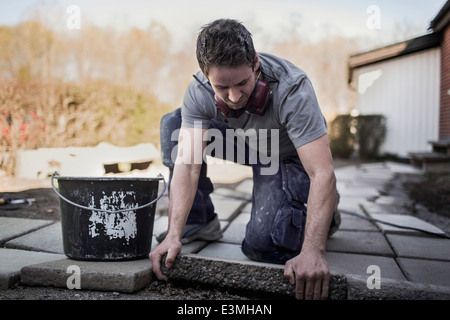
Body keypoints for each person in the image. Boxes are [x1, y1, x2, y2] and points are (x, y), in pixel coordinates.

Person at [150, 18, 340, 300]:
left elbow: (322, 173)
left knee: (264, 247)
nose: (234, 97)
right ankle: (198, 222)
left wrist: (314, 251)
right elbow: (188, 164)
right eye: (222, 88)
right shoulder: (199, 90)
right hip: (245, 143)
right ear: (206, 74)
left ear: (254, 62)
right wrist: (172, 235)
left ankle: (328, 214)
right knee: (174, 125)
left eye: (242, 83)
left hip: (285, 155)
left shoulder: (292, 89)